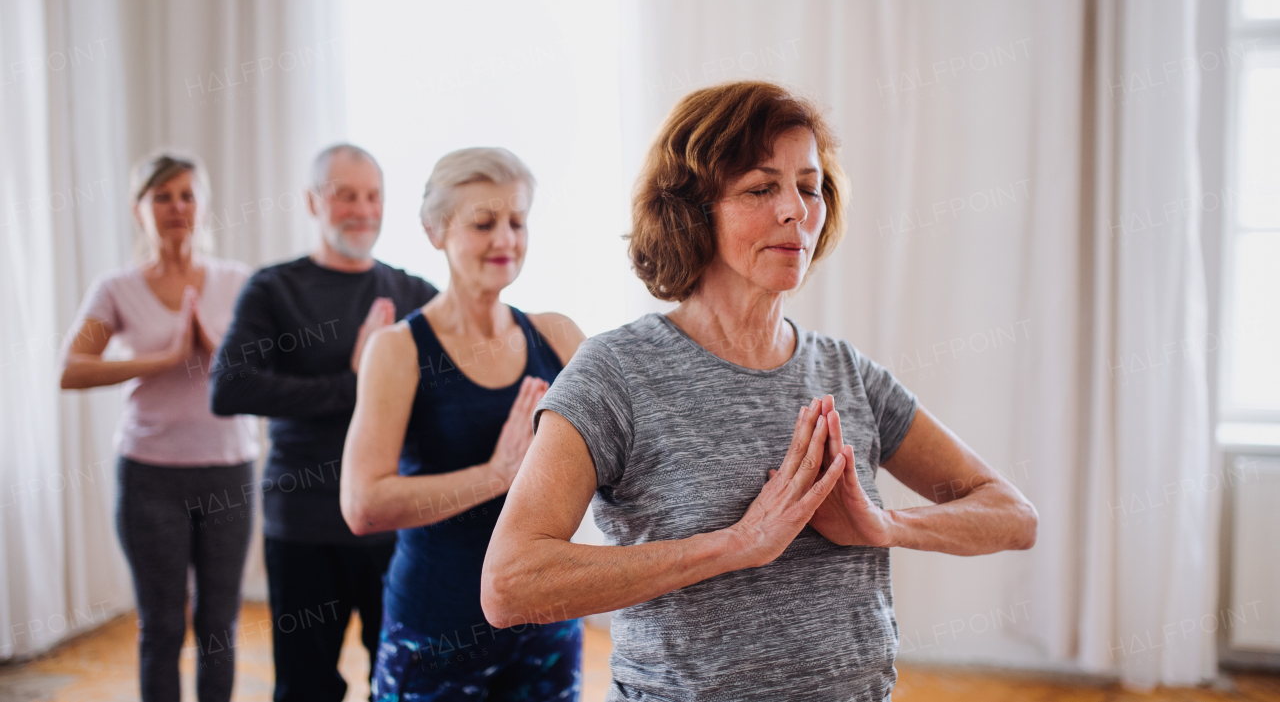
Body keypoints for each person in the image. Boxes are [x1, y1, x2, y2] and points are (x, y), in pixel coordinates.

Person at [480, 81, 1040, 701]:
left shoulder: (845, 372)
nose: (796, 209)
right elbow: (510, 583)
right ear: (693, 211)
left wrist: (884, 525)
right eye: (760, 187)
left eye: (809, 186)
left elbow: (1012, 517)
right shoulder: (617, 372)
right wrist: (735, 545)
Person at [340, 147, 586, 701]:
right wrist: (496, 474)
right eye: (483, 223)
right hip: (437, 633)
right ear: (435, 231)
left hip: (546, 628)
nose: (505, 239)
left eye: (516, 222)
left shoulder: (560, 336)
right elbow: (363, 505)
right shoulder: (397, 351)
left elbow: (628, 453)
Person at [209, 144, 438, 702]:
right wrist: (355, 381)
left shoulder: (413, 293)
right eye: (345, 195)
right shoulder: (273, 287)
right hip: (304, 523)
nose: (362, 209)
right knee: (306, 687)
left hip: (396, 522)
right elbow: (228, 387)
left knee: (406, 681)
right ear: (313, 201)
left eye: (373, 195)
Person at [60, 152, 256, 702]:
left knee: (218, 626)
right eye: (161, 196)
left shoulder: (239, 282)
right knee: (162, 624)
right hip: (150, 476)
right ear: (137, 209)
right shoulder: (116, 288)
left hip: (227, 472)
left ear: (204, 205)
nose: (176, 207)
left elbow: (266, 369)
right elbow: (70, 369)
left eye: (187, 195)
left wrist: (212, 349)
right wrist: (163, 359)